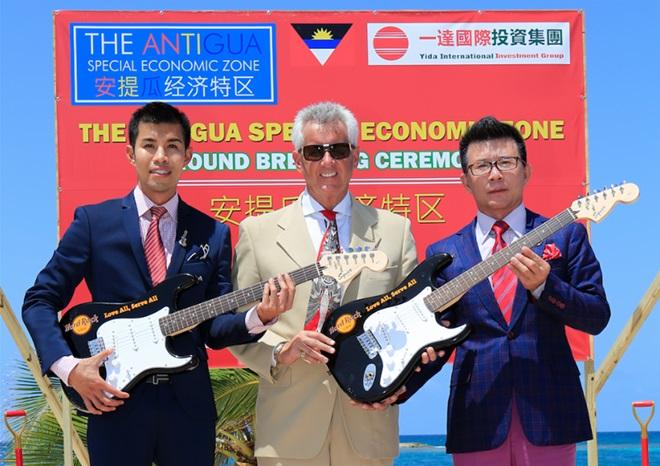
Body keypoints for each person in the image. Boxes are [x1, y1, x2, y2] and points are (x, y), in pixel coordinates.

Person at [22, 101, 295, 466]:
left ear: (187, 156)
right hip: (113, 403)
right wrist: (69, 368)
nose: (161, 156)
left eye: (172, 146)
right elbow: (40, 299)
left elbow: (215, 328)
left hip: (189, 411)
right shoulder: (93, 223)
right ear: (130, 153)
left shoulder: (212, 233)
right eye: (149, 145)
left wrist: (259, 316)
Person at [405, 116, 611, 465]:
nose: (495, 174)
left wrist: (547, 286)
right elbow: (435, 339)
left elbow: (596, 316)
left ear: (526, 171)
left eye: (506, 162)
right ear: (465, 180)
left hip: (551, 412)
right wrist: (395, 390)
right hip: (477, 413)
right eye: (482, 166)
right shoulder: (444, 254)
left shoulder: (565, 235)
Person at [229, 101, 418, 466]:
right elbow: (236, 325)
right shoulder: (258, 232)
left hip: (367, 423)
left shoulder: (395, 231)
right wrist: (281, 351)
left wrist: (398, 381)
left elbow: (412, 322)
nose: (327, 162)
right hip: (289, 429)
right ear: (298, 160)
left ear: (355, 157)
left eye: (339, 149)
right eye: (315, 151)